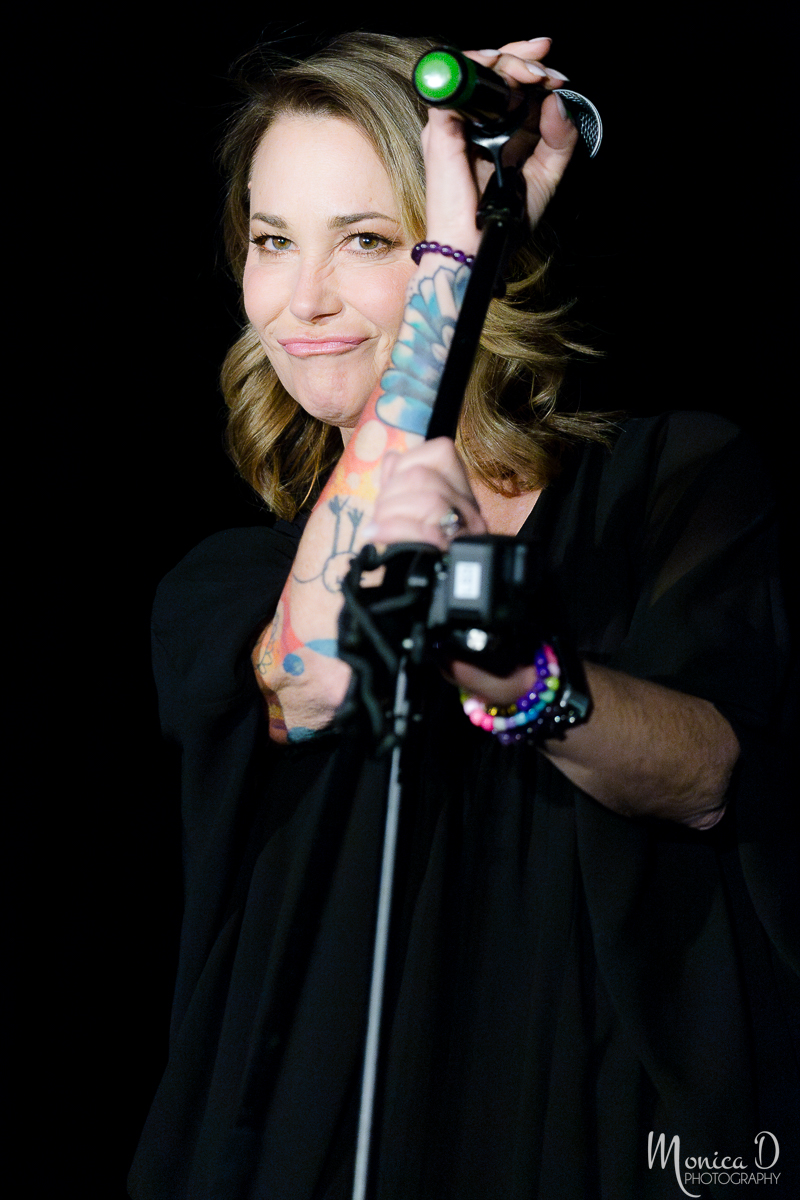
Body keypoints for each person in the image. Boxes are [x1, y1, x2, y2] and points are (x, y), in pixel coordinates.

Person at [129, 31, 797, 1200]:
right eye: (272, 240)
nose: (303, 300)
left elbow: (705, 774)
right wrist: (447, 265)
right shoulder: (228, 580)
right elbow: (319, 674)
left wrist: (515, 676)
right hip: (313, 1138)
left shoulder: (669, 482)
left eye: (369, 241)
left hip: (585, 1120)